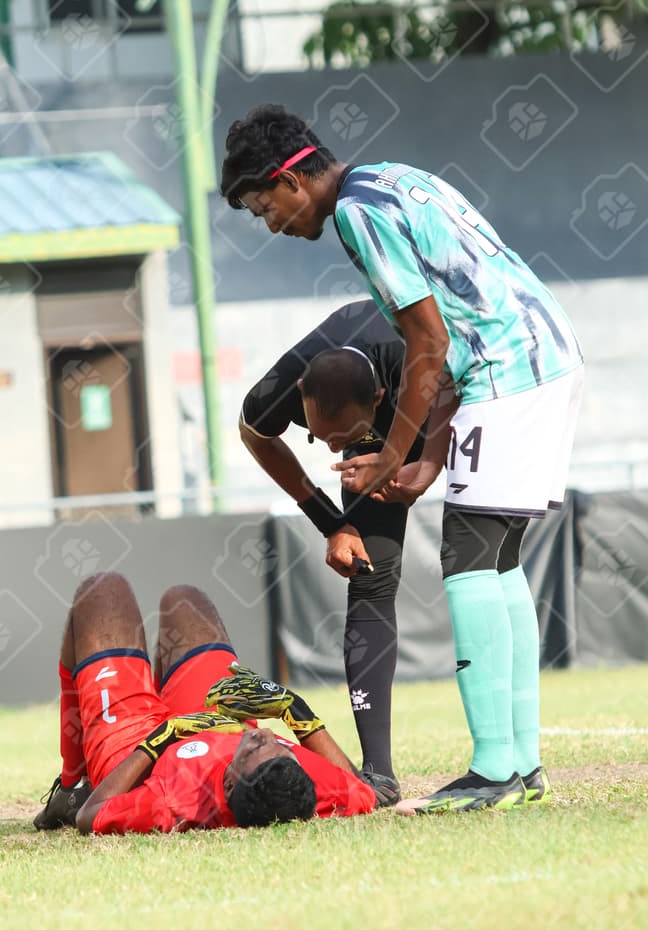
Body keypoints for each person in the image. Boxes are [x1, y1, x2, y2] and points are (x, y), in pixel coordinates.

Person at [220, 104, 584, 814]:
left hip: (508, 373)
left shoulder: (357, 215)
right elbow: (449, 328)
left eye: (266, 208)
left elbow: (428, 344)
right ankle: (522, 764)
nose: (272, 224)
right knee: (499, 561)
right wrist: (424, 460)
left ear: (292, 180)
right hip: (546, 353)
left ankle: (494, 770)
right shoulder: (390, 177)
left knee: (469, 559)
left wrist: (390, 458)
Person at [241, 298, 430, 799]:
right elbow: (254, 433)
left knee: (474, 552)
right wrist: (332, 522)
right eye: (320, 437)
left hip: (442, 406)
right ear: (301, 393)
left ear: (379, 398)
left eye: (341, 437)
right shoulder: (284, 385)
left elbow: (467, 402)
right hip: (376, 435)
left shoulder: (414, 357)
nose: (328, 448)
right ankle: (380, 773)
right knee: (370, 576)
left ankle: (504, 762)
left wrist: (423, 469)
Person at [33, 571, 390, 835]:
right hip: (217, 719)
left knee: (102, 591)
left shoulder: (174, 804)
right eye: (282, 748)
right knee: (185, 601)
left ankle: (70, 785)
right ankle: (163, 690)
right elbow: (362, 793)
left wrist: (164, 736)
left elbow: (91, 817)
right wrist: (292, 709)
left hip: (137, 752)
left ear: (231, 784)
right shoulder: (305, 788)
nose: (265, 736)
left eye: (253, 749)